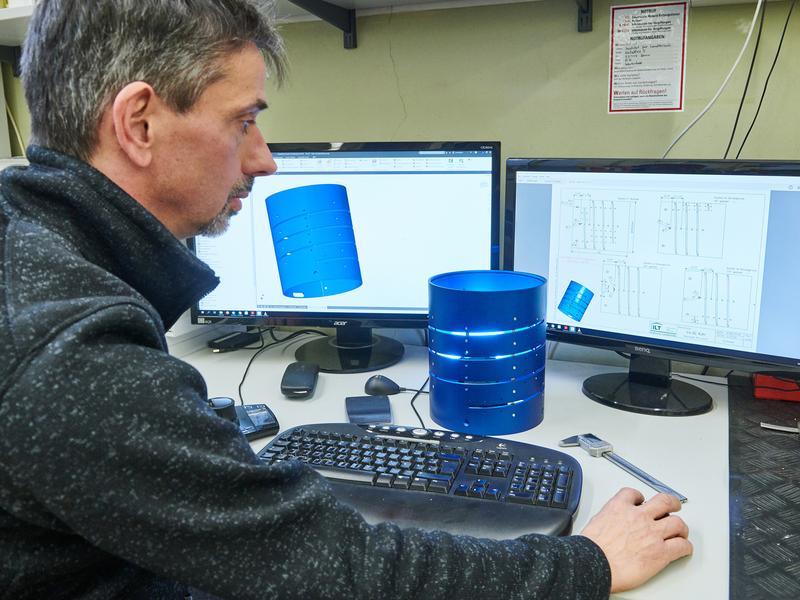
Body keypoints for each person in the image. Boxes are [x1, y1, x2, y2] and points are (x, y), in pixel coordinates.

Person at [0, 1, 692, 598]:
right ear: (140, 123)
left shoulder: (31, 249)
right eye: (244, 121)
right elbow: (341, 572)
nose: (264, 159)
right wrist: (589, 565)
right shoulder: (74, 349)